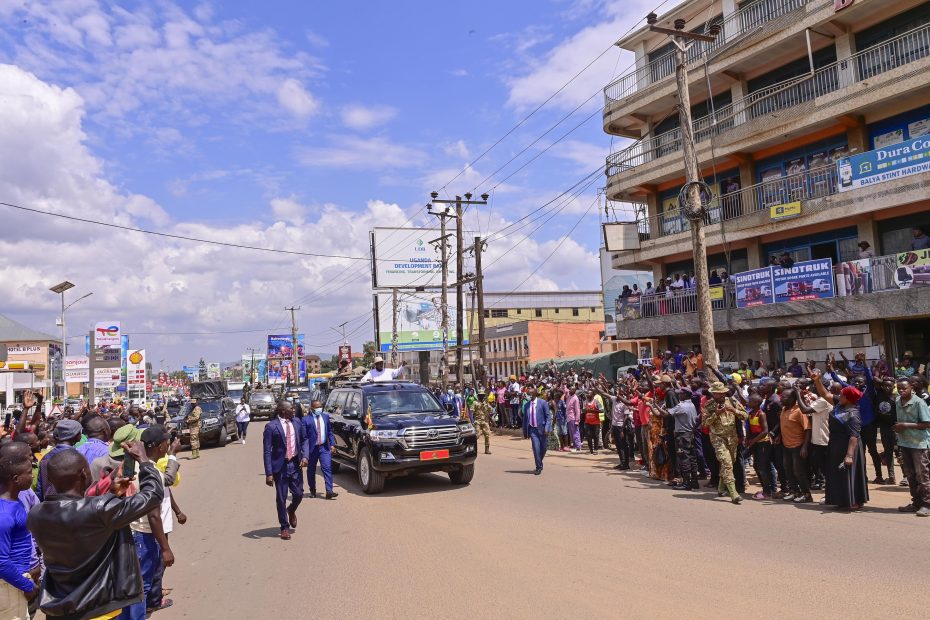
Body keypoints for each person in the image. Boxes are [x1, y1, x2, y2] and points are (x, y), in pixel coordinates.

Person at [28, 440, 164, 619]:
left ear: (51, 480)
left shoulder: (36, 514)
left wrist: (110, 496)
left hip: (60, 608)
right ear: (84, 474)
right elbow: (153, 495)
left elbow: (77, 516)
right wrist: (145, 461)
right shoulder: (99, 509)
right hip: (98, 608)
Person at [130, 426, 175, 614]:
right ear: (160, 446)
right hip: (144, 535)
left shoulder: (136, 466)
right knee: (142, 586)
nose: (169, 443)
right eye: (166, 441)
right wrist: (165, 548)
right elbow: (153, 514)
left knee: (135, 586)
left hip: (132, 531)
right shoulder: (151, 471)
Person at [813, 373, 869, 511]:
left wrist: (849, 456)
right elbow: (825, 394)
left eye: (843, 394)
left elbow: (853, 436)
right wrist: (817, 380)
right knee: (836, 472)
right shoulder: (840, 404)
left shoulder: (853, 414)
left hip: (849, 447)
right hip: (835, 444)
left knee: (849, 473)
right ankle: (840, 499)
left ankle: (854, 500)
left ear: (849, 398)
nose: (840, 395)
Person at [0, 448, 39, 619]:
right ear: (16, 479)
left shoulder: (16, 501)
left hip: (16, 579)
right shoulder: (5, 515)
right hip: (9, 585)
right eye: (29, 473)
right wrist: (27, 586)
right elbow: (1, 562)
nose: (32, 476)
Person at [262, 400, 307, 540]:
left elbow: (305, 439)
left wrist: (305, 456)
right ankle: (284, 527)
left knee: (299, 494)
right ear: (282, 411)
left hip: (295, 464)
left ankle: (291, 509)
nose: (294, 410)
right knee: (281, 498)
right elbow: (267, 451)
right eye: (291, 408)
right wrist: (269, 473)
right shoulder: (271, 427)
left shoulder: (298, 422)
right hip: (280, 467)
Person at [702, 381, 747, 504]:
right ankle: (733, 493)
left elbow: (745, 415)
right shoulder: (709, 405)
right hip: (718, 438)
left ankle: (721, 488)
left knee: (729, 463)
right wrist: (716, 414)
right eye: (717, 394)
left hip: (732, 438)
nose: (720, 396)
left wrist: (734, 411)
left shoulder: (732, 401)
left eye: (721, 393)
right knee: (726, 463)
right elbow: (704, 424)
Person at [894, 379, 930, 516]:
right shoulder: (898, 401)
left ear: (911, 388)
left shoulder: (919, 403)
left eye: (904, 388)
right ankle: (916, 503)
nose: (902, 391)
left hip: (919, 444)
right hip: (904, 442)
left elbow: (927, 424)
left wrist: (904, 425)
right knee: (910, 475)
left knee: (922, 475)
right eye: (899, 389)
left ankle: (927, 504)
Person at [779, 387, 812, 503]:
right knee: (788, 470)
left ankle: (807, 495)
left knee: (798, 472)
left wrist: (804, 447)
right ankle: (794, 491)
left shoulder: (799, 411)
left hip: (797, 446)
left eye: (784, 397)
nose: (781, 398)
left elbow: (808, 429)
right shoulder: (784, 409)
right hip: (786, 445)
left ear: (792, 398)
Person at [36, 419, 83, 501]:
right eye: (80, 432)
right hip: (71, 507)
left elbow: (40, 489)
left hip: (49, 506)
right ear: (76, 435)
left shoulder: (45, 457)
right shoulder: (77, 458)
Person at [302, 400, 338, 500]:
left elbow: (329, 432)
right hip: (312, 449)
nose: (319, 409)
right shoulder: (305, 420)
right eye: (317, 407)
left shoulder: (325, 417)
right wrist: (305, 454)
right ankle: (313, 490)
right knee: (311, 471)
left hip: (324, 447)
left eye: (320, 407)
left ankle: (329, 491)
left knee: (327, 468)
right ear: (312, 409)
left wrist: (332, 444)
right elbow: (304, 438)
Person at [522, 388, 551, 475]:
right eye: (528, 394)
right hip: (533, 430)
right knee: (536, 448)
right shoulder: (526, 405)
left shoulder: (543, 403)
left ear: (535, 394)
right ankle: (538, 467)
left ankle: (539, 460)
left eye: (530, 394)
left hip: (542, 429)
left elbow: (548, 417)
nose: (529, 395)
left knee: (544, 448)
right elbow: (525, 420)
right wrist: (525, 432)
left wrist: (547, 428)